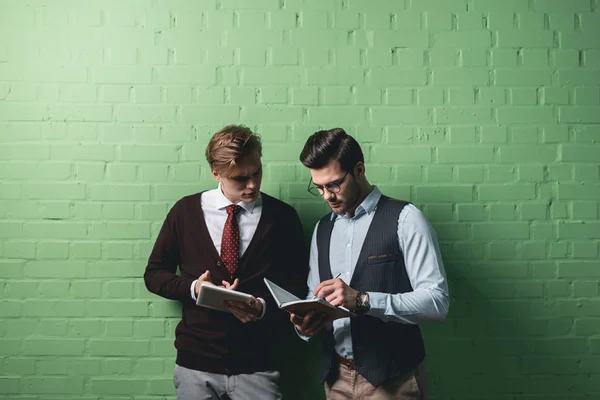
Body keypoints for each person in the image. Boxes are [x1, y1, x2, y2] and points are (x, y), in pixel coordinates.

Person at [144, 125, 308, 400]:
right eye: (240, 178)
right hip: (195, 363)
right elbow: (154, 274)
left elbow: (298, 285)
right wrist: (195, 288)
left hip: (258, 364)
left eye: (257, 172)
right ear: (216, 173)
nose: (252, 184)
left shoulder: (282, 217)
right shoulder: (185, 211)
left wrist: (262, 307)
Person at [291, 128, 449, 399]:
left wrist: (362, 300)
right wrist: (305, 322)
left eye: (334, 184)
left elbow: (437, 303)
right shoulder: (322, 229)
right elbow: (314, 294)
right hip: (336, 378)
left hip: (393, 380)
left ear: (359, 169)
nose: (327, 196)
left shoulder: (406, 219)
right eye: (319, 187)